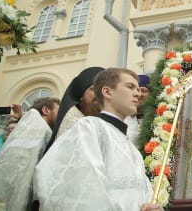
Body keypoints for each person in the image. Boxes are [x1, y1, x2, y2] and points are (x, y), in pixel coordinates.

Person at [34, 68, 163, 211]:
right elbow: (81, 194)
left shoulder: (131, 147)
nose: (138, 93)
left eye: (139, 89)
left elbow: (140, 194)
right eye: (130, 87)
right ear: (107, 92)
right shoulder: (89, 129)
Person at [0, 97, 60, 211]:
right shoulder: (39, 128)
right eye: (59, 111)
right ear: (46, 110)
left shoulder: (27, 127)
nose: (61, 116)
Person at [44, 66, 105, 152]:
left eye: (104, 90)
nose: (99, 94)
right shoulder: (73, 123)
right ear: (81, 95)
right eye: (94, 89)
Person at [125, 74, 150, 146]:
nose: (140, 94)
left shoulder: (155, 119)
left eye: (144, 90)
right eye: (137, 90)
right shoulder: (122, 117)